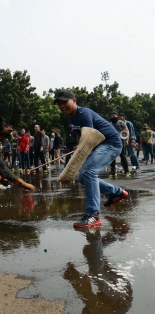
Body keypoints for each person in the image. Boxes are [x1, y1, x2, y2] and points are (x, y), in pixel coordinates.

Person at [54, 90, 127, 228]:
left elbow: (89, 137)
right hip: (99, 145)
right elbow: (79, 134)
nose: (62, 106)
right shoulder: (70, 117)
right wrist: (78, 145)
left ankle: (93, 215)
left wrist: (81, 147)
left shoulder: (84, 114)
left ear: (74, 100)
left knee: (89, 172)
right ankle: (116, 193)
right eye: (59, 104)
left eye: (65, 102)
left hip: (110, 143)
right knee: (82, 177)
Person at [107, 111, 130, 178]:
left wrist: (127, 139)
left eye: (114, 116)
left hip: (120, 141)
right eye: (112, 116)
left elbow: (126, 130)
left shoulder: (121, 123)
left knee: (122, 156)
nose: (113, 117)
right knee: (112, 157)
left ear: (117, 116)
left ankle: (127, 171)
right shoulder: (110, 124)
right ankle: (113, 172)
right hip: (112, 141)